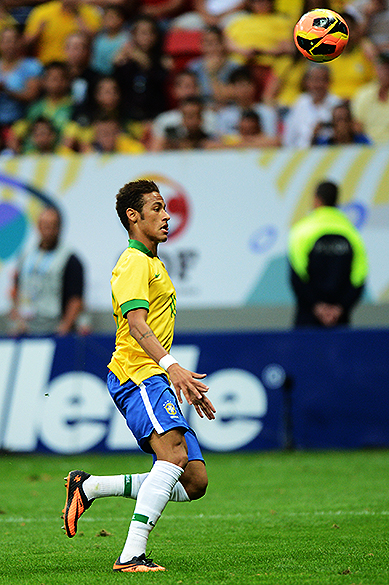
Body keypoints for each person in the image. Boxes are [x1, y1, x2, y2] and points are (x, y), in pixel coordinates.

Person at [62, 179, 216, 572]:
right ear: (134, 216)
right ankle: (131, 555)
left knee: (194, 480)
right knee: (174, 456)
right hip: (138, 374)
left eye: (166, 209)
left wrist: (173, 375)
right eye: (158, 209)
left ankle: (90, 486)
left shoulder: (152, 263)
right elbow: (136, 324)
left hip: (155, 374)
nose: (167, 217)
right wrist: (172, 367)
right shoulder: (133, 262)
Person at [288, 180, 368, 327]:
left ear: (317, 200)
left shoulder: (301, 231)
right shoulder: (352, 233)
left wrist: (318, 307)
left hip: (308, 320)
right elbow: (358, 279)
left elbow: (297, 277)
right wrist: (339, 308)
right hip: (339, 320)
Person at [9, 206, 86, 335]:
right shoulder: (26, 256)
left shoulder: (70, 259)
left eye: (52, 225)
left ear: (59, 228)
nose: (48, 230)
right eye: (45, 225)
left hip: (55, 328)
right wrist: (17, 319)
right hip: (27, 328)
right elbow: (16, 288)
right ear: (38, 227)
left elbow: (75, 299)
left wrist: (64, 328)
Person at [23, 0, 102, 65]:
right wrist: (38, 33)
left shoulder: (90, 12)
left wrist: (79, 19)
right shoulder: (42, 12)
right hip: (47, 65)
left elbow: (97, 41)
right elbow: (26, 43)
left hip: (79, 67)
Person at [283, 63, 342, 147]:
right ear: (307, 82)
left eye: (322, 80)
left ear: (329, 82)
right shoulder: (300, 102)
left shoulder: (337, 104)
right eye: (314, 80)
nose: (318, 85)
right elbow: (289, 138)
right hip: (299, 155)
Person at [351, 50, 389, 144]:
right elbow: (357, 125)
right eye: (383, 68)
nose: (386, 71)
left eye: (388, 67)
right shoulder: (363, 94)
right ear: (376, 69)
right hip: (368, 147)